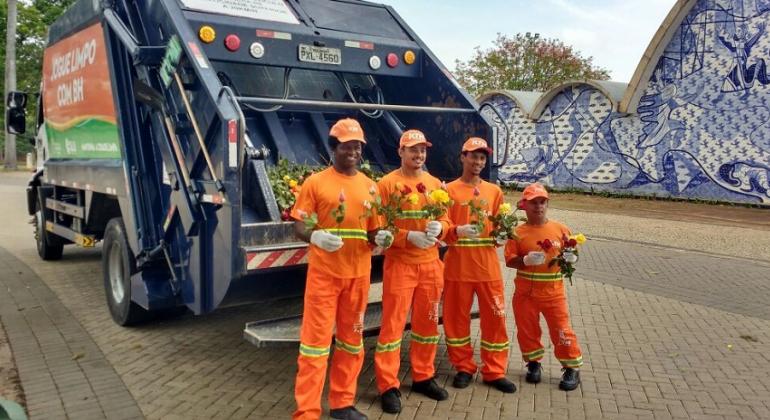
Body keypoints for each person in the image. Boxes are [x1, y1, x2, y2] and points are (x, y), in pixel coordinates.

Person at [291, 118, 394, 420]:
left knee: (352, 343)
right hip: (324, 278)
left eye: (357, 146)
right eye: (346, 145)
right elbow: (299, 223)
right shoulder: (316, 183)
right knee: (314, 347)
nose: (353, 150)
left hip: (358, 278)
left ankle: (342, 404)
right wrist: (314, 235)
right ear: (333, 147)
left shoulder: (370, 188)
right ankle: (307, 412)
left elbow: (373, 231)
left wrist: (382, 236)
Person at [374, 129, 451, 414]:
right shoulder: (386, 184)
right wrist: (407, 237)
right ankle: (388, 385)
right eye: (412, 150)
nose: (418, 155)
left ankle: (423, 376)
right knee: (392, 327)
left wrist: (441, 227)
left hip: (431, 264)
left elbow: (445, 217)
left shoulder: (434, 184)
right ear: (400, 152)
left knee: (428, 325)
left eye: (422, 150)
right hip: (401, 264)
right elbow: (379, 225)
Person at [442, 137, 516, 393]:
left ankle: (494, 371)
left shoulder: (494, 191)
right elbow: (441, 229)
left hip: (487, 269)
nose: (478, 161)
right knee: (455, 320)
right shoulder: (448, 191)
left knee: (495, 318)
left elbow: (499, 228)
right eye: (473, 156)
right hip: (457, 268)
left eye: (482, 157)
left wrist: (503, 235)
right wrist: (456, 230)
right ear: (462, 157)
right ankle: (463, 366)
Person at [504, 183, 582, 391]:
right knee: (527, 331)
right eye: (533, 203)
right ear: (524, 206)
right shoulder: (517, 232)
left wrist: (571, 258)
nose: (538, 207)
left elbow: (571, 254)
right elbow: (510, 261)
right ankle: (533, 364)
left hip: (553, 293)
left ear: (547, 204)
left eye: (542, 202)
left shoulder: (560, 229)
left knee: (562, 331)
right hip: (525, 294)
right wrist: (525, 260)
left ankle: (571, 367)